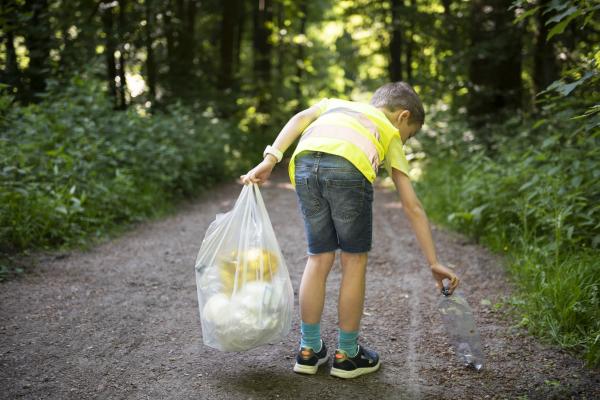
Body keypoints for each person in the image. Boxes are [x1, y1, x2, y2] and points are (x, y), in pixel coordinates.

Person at [240, 81, 460, 379]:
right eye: (409, 136)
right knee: (353, 260)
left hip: (304, 163)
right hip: (349, 169)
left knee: (318, 257)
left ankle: (308, 350)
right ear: (403, 117)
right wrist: (433, 261)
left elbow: (299, 119)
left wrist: (270, 159)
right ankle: (347, 354)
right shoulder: (390, 130)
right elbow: (412, 206)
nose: (404, 141)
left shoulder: (334, 104)